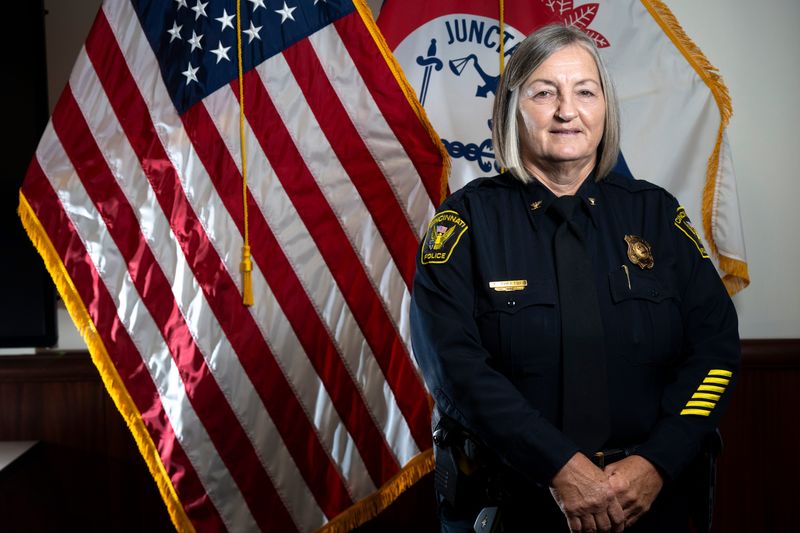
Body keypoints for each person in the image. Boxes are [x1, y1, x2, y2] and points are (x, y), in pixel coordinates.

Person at [410, 23, 740, 533]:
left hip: (652, 502)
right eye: (545, 93)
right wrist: (559, 467)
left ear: (605, 108)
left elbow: (715, 351)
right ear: (510, 109)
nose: (568, 110)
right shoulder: (465, 223)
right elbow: (455, 369)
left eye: (585, 92)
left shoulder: (656, 215)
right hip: (514, 506)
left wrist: (657, 462)